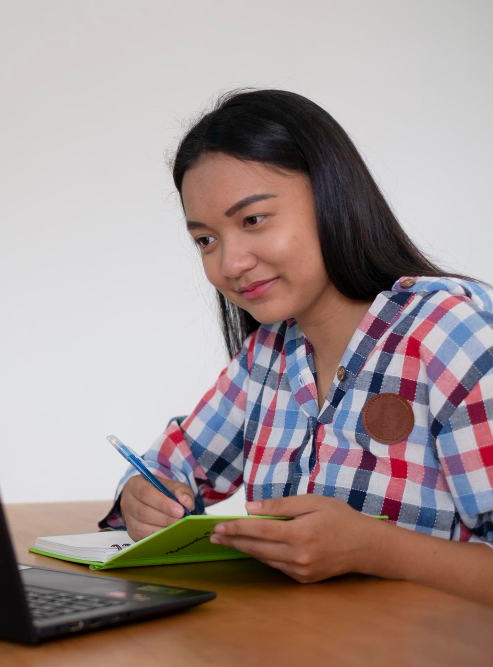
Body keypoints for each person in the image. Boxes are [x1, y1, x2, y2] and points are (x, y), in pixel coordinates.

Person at [100, 88, 493, 606]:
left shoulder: (450, 333)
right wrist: (142, 496)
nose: (230, 263)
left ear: (332, 195)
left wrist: (374, 549)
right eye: (205, 239)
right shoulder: (269, 354)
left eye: (253, 220)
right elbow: (170, 469)